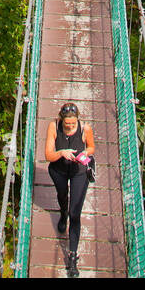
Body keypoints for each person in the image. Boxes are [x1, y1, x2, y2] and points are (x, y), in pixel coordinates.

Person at [45, 101, 95, 277]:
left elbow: (91, 147)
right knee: (62, 196)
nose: (70, 126)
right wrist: (61, 153)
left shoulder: (85, 128)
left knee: (76, 213)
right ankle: (62, 212)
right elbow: (48, 155)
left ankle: (73, 257)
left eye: (73, 124)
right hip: (58, 170)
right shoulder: (53, 126)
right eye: (67, 124)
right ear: (61, 120)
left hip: (78, 172)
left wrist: (84, 154)